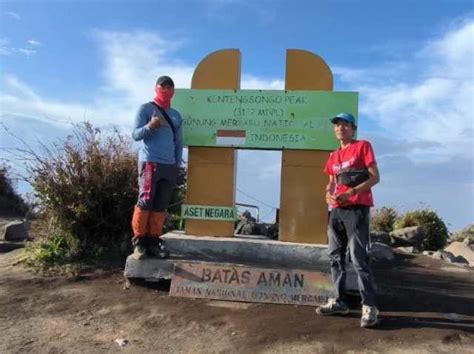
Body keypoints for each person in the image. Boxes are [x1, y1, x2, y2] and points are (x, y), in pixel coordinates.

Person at [316, 112, 380, 328]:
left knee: (359, 258)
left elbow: (374, 177)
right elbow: (331, 182)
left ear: (353, 129)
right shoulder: (333, 155)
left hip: (357, 210)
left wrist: (351, 192)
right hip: (337, 211)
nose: (340, 128)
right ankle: (339, 300)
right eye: (337, 125)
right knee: (335, 256)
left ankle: (369, 306)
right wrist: (328, 194)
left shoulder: (363, 146)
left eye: (345, 125)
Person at [130, 75, 183, 260]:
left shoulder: (176, 115)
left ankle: (153, 242)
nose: (166, 90)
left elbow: (179, 141)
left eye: (170, 87)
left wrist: (177, 164)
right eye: (163, 86)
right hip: (150, 162)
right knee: (145, 202)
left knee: (160, 205)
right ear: (156, 88)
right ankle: (139, 244)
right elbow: (136, 135)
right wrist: (150, 126)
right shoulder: (145, 108)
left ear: (173, 91)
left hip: (169, 165)